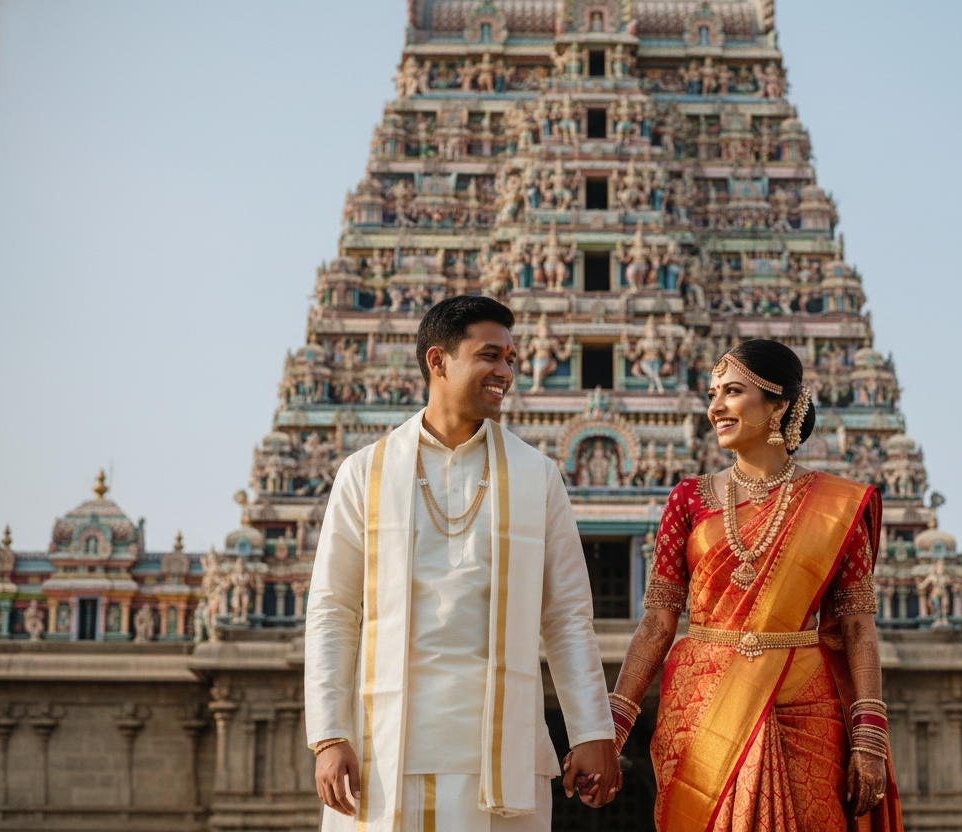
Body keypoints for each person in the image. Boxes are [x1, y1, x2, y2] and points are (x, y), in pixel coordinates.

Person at [305, 295, 620, 831]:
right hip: (386, 745)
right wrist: (330, 735)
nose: (506, 373)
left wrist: (592, 731)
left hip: (500, 745)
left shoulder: (537, 475)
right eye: (489, 356)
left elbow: (567, 616)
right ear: (438, 360)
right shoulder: (364, 473)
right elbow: (332, 609)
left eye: (511, 360)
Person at [596, 339, 902, 832]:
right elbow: (656, 624)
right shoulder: (688, 499)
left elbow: (856, 628)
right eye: (712, 394)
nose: (715, 407)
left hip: (805, 705)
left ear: (779, 405)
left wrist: (868, 738)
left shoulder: (836, 505)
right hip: (704, 703)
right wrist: (610, 730)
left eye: (733, 391)